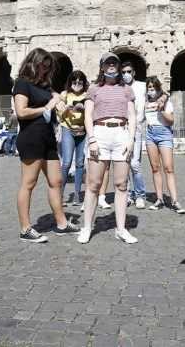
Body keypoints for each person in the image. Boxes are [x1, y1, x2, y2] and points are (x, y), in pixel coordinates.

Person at [13, 48, 78, 242]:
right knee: (29, 183)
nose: (44, 70)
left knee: (56, 181)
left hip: (48, 137)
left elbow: (57, 98)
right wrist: (46, 107)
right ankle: (25, 228)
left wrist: (61, 105)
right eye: (42, 66)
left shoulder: (45, 86)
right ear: (33, 63)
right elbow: (21, 112)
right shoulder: (22, 83)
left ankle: (61, 223)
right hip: (31, 137)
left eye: (47, 67)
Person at [79, 52, 139, 245]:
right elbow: (88, 115)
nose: (111, 65)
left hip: (121, 134)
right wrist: (92, 139)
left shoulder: (126, 89)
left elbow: (132, 115)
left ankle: (121, 229)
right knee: (94, 184)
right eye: (108, 63)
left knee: (121, 184)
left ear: (118, 67)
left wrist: (131, 140)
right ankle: (87, 227)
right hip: (100, 133)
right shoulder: (94, 88)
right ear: (102, 67)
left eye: (114, 63)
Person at [143, 76, 185, 214]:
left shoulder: (166, 102)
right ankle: (159, 199)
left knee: (168, 168)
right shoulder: (145, 101)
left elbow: (171, 120)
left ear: (158, 88)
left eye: (154, 88)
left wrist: (161, 110)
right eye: (149, 88)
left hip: (164, 133)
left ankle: (174, 200)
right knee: (155, 168)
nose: (151, 90)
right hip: (150, 133)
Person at [56, 70, 89, 207]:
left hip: (82, 131)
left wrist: (84, 109)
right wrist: (67, 108)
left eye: (80, 82)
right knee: (67, 162)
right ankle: (60, 195)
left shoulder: (88, 95)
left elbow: (93, 112)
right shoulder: (64, 95)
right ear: (70, 82)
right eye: (74, 82)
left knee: (80, 163)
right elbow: (58, 113)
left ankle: (77, 194)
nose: (77, 84)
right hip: (68, 129)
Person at [120, 62, 148, 209]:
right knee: (125, 162)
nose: (126, 74)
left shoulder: (142, 86)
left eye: (128, 71)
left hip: (136, 128)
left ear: (134, 72)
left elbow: (160, 93)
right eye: (123, 72)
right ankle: (128, 195)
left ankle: (140, 195)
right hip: (122, 128)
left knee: (135, 164)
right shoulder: (119, 88)